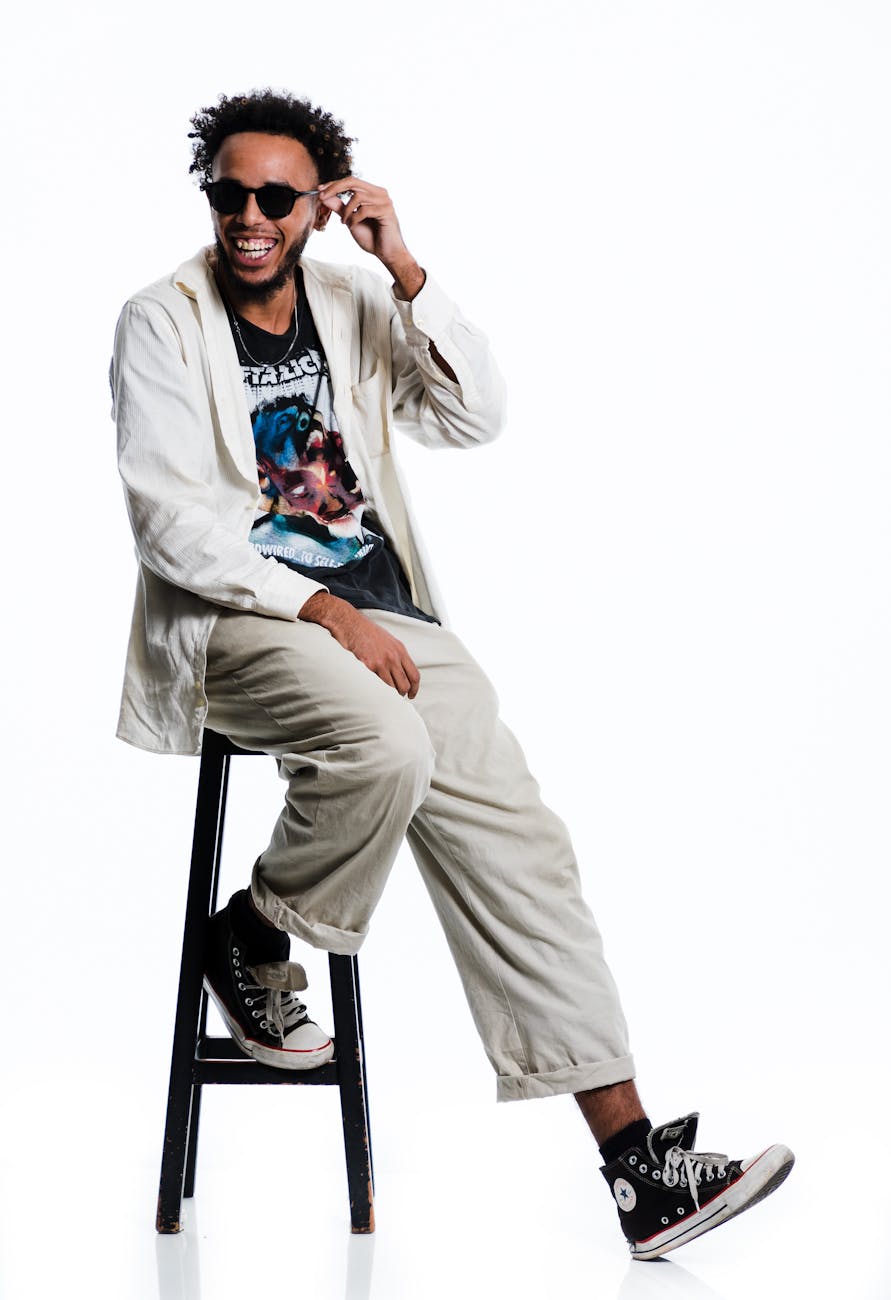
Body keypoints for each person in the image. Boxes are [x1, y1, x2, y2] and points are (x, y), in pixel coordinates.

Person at [112, 89, 793, 1261]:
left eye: (277, 196)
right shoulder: (161, 321)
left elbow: (474, 417)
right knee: (387, 745)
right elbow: (176, 528)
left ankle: (638, 1168)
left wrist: (408, 268)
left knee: (521, 841)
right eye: (229, 193)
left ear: (320, 206)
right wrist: (324, 608)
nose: (249, 216)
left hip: (386, 612)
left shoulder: (351, 296)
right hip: (246, 618)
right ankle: (258, 934)